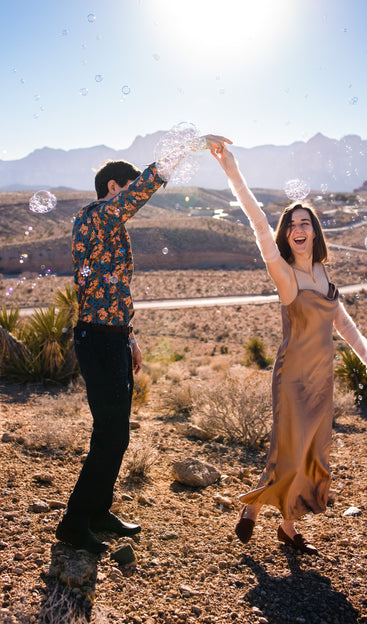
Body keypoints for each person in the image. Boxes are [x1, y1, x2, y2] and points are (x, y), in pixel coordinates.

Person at [56, 134, 231, 554]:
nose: (133, 197)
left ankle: (98, 511)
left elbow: (113, 291)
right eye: (127, 187)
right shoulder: (96, 214)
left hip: (112, 336)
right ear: (114, 188)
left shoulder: (112, 228)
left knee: (117, 436)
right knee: (110, 434)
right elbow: (143, 189)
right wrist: (189, 146)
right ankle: (74, 522)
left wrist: (130, 338)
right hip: (96, 339)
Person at [212, 145, 367, 554]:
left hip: (321, 378)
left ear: (315, 231)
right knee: (289, 445)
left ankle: (273, 521)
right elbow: (257, 224)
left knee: (307, 450)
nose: (298, 228)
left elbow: (342, 323)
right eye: (291, 225)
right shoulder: (285, 275)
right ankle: (274, 518)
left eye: (305, 222)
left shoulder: (324, 273)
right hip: (292, 376)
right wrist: (233, 172)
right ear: (286, 234)